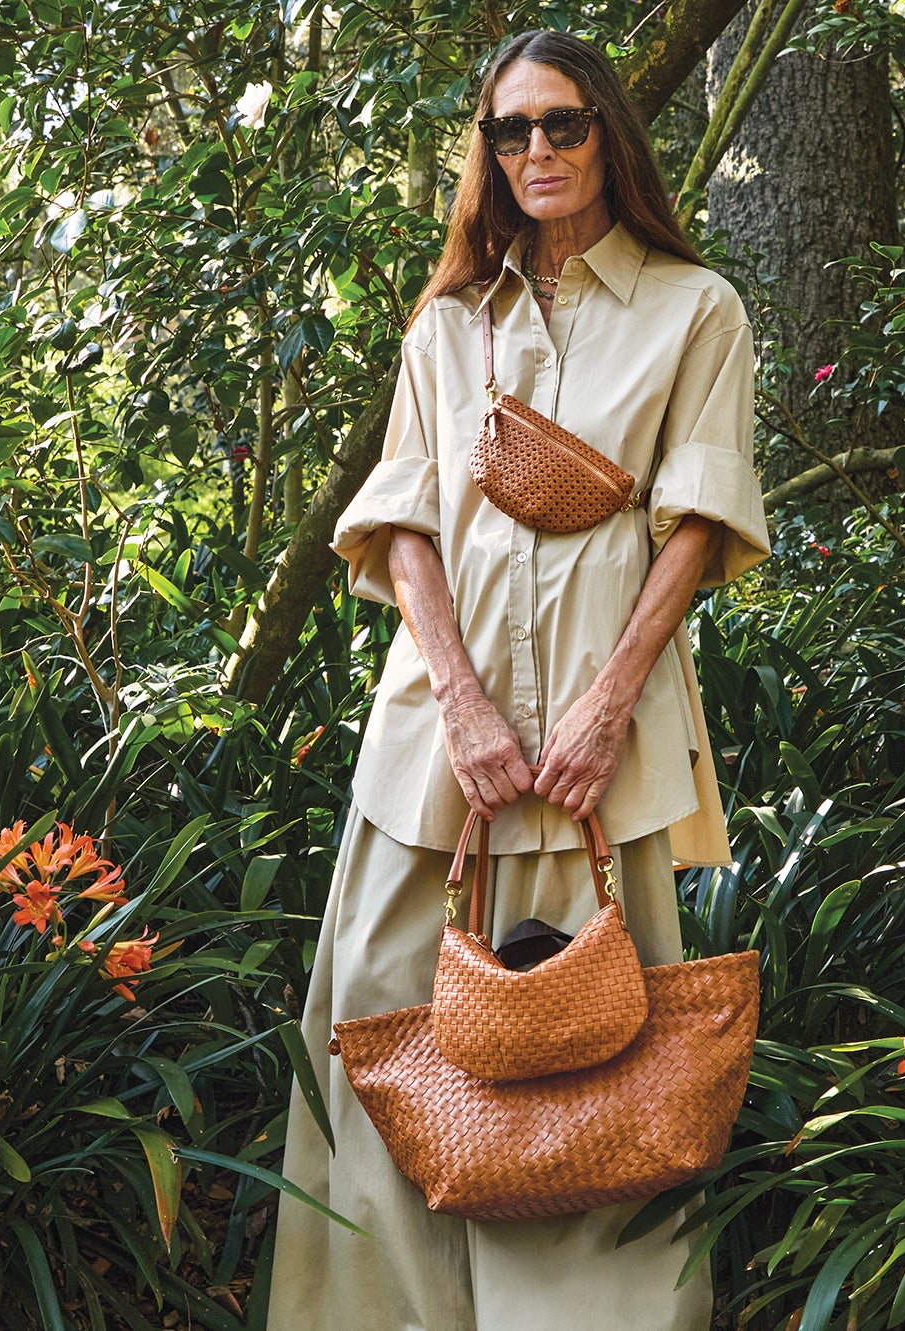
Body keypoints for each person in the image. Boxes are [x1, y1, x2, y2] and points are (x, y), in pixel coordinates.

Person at [263, 27, 771, 1331]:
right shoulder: (450, 326)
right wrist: (465, 708)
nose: (535, 149)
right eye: (509, 130)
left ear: (610, 134)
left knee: (602, 1072)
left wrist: (604, 708)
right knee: (386, 1049)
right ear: (484, 154)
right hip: (438, 753)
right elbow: (407, 534)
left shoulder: (694, 309)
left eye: (562, 124)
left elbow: (698, 527)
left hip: (609, 757)